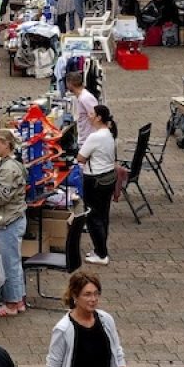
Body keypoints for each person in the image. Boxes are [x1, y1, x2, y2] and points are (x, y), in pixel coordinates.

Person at [0, 128, 29, 317]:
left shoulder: (9, 169)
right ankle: (18, 299)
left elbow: (0, 198)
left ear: (6, 145)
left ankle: (11, 304)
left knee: (9, 263)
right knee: (13, 262)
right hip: (14, 218)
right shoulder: (10, 164)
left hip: (9, 220)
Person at [76, 104, 118, 265]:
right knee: (103, 216)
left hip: (95, 180)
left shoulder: (95, 137)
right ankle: (100, 249)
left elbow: (81, 157)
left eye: (92, 114)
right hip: (108, 178)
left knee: (93, 217)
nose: (90, 116)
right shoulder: (109, 134)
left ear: (99, 117)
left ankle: (101, 253)